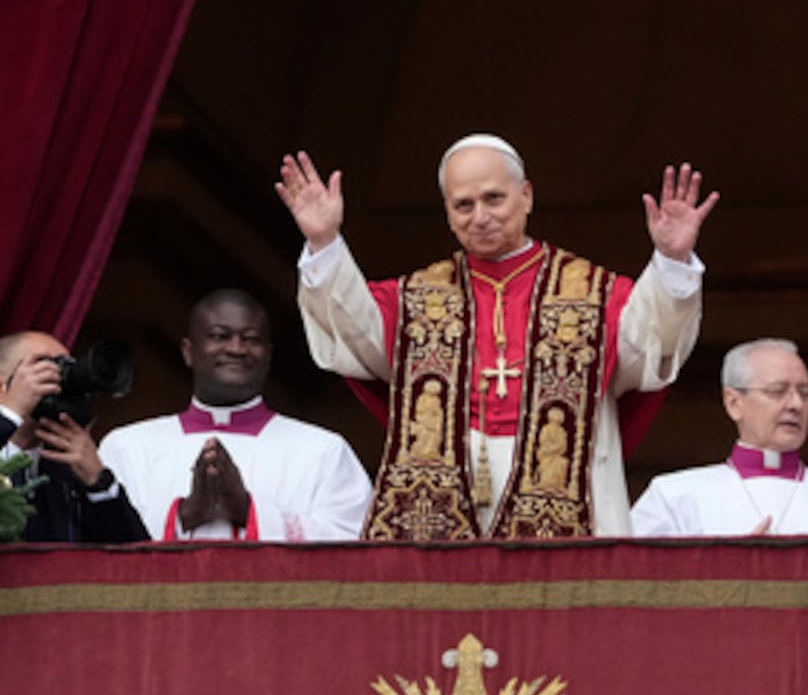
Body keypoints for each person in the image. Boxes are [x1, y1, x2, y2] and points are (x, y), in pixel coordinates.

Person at [276, 133, 719, 539]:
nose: (480, 217)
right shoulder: (414, 297)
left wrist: (671, 261)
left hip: (568, 491)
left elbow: (649, 347)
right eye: (463, 205)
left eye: (494, 198)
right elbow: (355, 334)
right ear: (447, 212)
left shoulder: (594, 294)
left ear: (525, 196)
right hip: (444, 495)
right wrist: (325, 243)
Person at [98, 288, 373, 541]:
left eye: (251, 339)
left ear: (268, 355)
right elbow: (98, 544)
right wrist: (186, 514)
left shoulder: (324, 451)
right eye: (219, 336)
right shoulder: (126, 448)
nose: (236, 349)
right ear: (188, 352)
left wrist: (248, 509)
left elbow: (355, 548)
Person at [630, 338, 808, 537]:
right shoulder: (672, 498)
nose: (796, 404)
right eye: (778, 391)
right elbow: (633, 590)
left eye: (805, 392)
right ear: (734, 403)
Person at [0, 331, 149, 542]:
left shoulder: (65, 472)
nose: (58, 378)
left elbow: (136, 561)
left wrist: (98, 483)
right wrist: (8, 416)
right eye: (44, 366)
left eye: (65, 367)